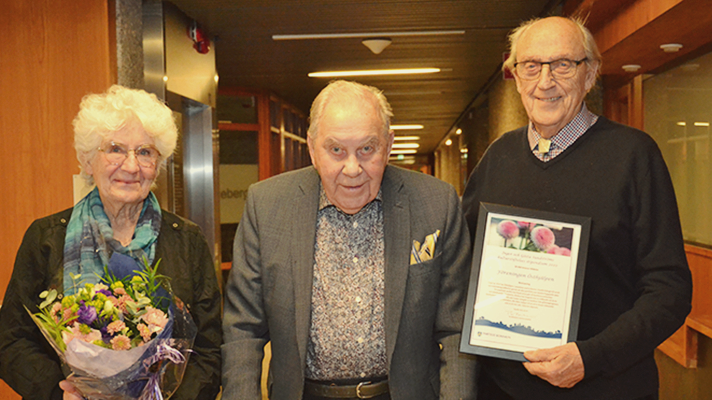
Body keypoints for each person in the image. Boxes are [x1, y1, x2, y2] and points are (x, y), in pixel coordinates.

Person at [461, 16, 692, 400]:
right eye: (531, 66)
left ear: (590, 75)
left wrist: (591, 357)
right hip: (502, 389)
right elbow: (464, 266)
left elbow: (669, 290)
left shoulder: (634, 156)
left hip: (607, 388)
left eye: (563, 65)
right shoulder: (497, 157)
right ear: (515, 76)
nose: (545, 81)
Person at [221, 80, 476, 400]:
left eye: (367, 149)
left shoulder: (435, 203)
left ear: (388, 145)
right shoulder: (267, 205)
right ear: (313, 149)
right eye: (336, 150)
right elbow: (242, 330)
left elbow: (456, 331)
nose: (352, 168)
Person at [0, 85, 222, 400]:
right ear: (89, 161)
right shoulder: (46, 237)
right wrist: (58, 392)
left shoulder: (187, 240)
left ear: (157, 165)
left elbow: (210, 349)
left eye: (145, 152)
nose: (131, 166)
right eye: (115, 149)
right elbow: (10, 340)